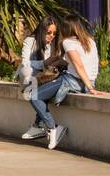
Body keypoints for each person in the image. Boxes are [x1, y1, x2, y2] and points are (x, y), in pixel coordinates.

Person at [28, 16, 98, 151]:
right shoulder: (91, 41)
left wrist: (90, 88)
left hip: (74, 81)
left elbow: (79, 66)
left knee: (33, 95)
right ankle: (38, 125)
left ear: (66, 29)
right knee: (45, 89)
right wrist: (91, 85)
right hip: (88, 81)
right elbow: (91, 65)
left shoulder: (67, 42)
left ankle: (53, 127)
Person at [16, 15, 61, 102]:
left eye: (54, 33)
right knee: (26, 71)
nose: (52, 35)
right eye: (49, 32)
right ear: (42, 31)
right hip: (30, 76)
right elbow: (25, 63)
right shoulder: (30, 41)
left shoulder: (54, 45)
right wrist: (43, 63)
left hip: (45, 78)